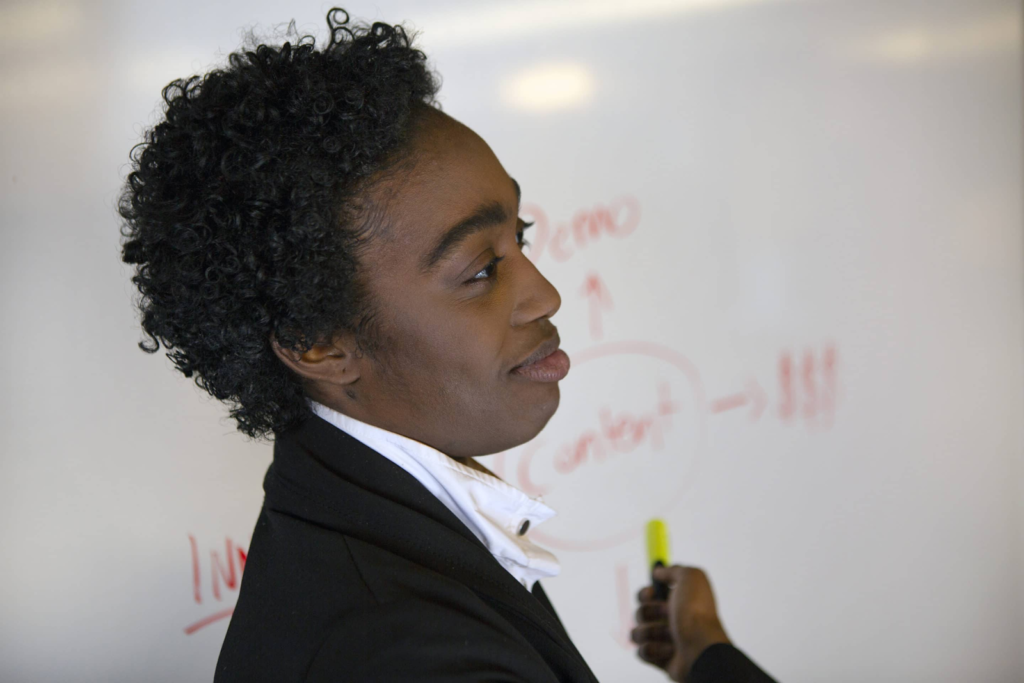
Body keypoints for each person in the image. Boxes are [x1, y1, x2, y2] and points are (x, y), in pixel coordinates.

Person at [119, 8, 777, 683]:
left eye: (519, 238)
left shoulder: (361, 523)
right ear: (317, 343)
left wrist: (704, 653)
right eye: (481, 269)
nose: (545, 294)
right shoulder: (411, 655)